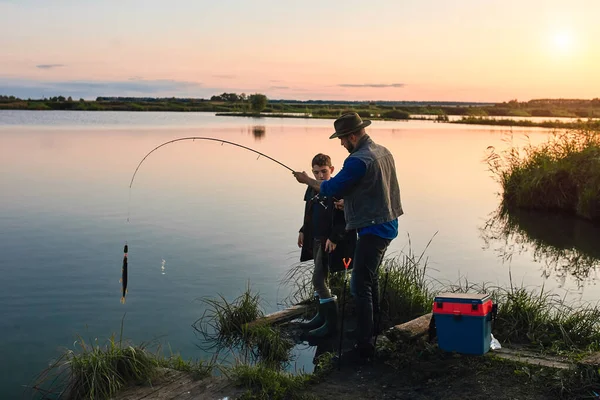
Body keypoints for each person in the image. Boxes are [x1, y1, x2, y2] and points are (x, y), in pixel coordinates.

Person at [293, 112, 403, 361]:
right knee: (369, 280)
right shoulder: (383, 151)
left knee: (359, 284)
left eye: (342, 139)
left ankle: (363, 346)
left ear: (353, 135)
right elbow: (375, 188)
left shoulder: (358, 160)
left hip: (373, 229)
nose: (342, 144)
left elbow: (330, 187)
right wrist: (349, 203)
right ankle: (372, 331)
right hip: (387, 223)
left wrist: (306, 180)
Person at [296, 153, 356, 341]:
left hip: (328, 241)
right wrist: (303, 230)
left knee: (318, 280)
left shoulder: (337, 190)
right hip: (314, 238)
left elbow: (345, 219)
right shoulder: (311, 189)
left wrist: (335, 238)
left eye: (324, 171)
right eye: (316, 172)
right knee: (321, 276)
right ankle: (321, 316)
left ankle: (330, 324)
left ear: (332, 170)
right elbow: (309, 212)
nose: (320, 176)